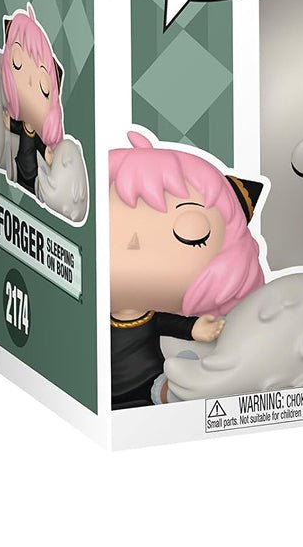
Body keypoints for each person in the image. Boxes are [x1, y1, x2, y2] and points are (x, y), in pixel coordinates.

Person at [109, 131, 266, 409]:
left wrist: (196, 328)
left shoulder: (153, 317)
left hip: (149, 381)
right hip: (102, 388)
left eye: (190, 234)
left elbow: (171, 324)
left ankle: (177, 390)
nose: (134, 244)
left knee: (168, 387)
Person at [1, 4, 63, 194]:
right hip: (19, 166)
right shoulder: (22, 126)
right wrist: (9, 123)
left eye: (44, 87)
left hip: (33, 174)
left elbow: (41, 146)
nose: (28, 81)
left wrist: (46, 153)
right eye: (17, 63)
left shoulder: (35, 135)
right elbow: (14, 126)